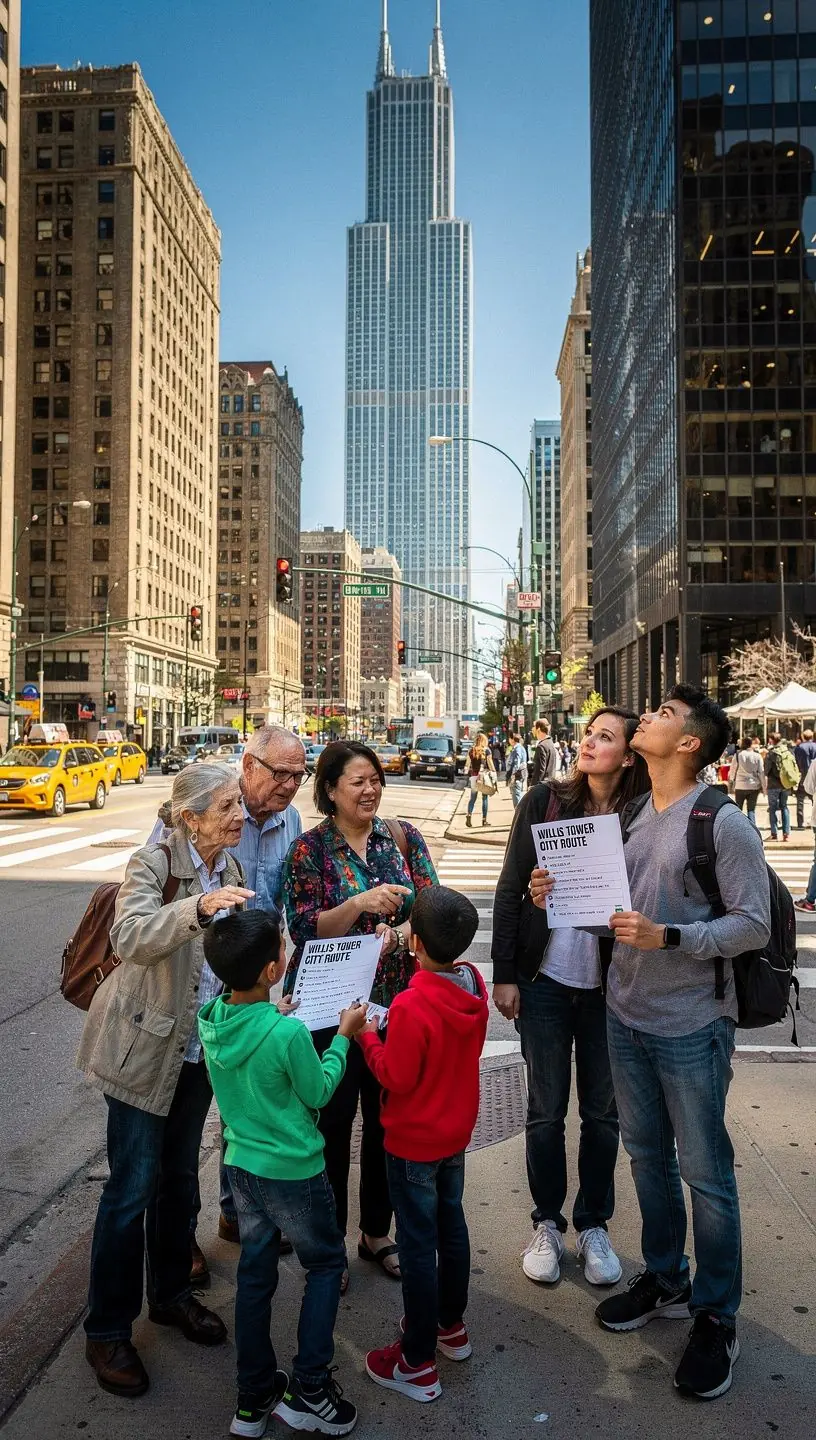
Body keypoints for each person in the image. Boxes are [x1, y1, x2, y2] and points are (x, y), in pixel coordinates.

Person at [595, 685, 771, 1401]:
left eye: (664, 715)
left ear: (691, 742)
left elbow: (752, 923)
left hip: (693, 1024)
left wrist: (673, 936)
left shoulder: (724, 823)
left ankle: (716, 1316)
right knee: (645, 1158)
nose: (648, 718)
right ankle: (666, 1277)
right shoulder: (633, 809)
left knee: (706, 1171)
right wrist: (557, 891)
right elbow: (612, 900)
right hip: (624, 1011)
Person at [78, 765, 253, 1399]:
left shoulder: (228, 868)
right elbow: (130, 936)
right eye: (229, 806)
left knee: (180, 1183)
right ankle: (107, 1332)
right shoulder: (154, 864)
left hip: (196, 1053)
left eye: (238, 804)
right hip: (142, 1052)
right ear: (191, 816)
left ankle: (172, 1295)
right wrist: (197, 908)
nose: (240, 815)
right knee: (130, 1191)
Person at [492, 708, 650, 1290]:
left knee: (604, 1113)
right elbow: (511, 890)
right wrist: (505, 973)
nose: (589, 742)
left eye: (605, 737)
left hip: (614, 988)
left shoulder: (645, 814)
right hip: (547, 981)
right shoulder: (544, 803)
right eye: (589, 733)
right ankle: (547, 1223)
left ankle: (594, 1224)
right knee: (545, 1109)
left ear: (630, 755)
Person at [198, 909, 365, 1438]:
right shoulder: (288, 1034)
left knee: (255, 1277)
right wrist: (343, 1037)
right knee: (322, 1266)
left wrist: (277, 1013)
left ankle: (252, 1398)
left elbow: (253, 1043)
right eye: (284, 949)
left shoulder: (213, 1020)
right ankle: (311, 1386)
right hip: (295, 1171)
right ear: (273, 970)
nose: (289, 953)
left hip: (242, 1168)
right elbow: (318, 1091)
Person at [282, 741, 438, 1291]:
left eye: (375, 779)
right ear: (329, 790)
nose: (370, 789)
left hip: (394, 1009)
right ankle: (327, 1246)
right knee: (329, 1126)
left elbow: (432, 910)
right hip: (332, 1014)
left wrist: (398, 934)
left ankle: (376, 1232)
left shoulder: (404, 839)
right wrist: (359, 904)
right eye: (357, 781)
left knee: (386, 1124)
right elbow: (303, 929)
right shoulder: (308, 851)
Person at [360, 887, 488, 1403]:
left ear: (414, 943)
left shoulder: (413, 1003)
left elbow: (396, 1074)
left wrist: (368, 1034)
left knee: (416, 1244)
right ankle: (450, 1326)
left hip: (413, 1137)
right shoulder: (473, 984)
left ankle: (415, 1359)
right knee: (450, 1227)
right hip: (454, 1131)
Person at [727, 735, 765, 829]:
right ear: (751, 744)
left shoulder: (738, 755)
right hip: (754, 786)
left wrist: (731, 781)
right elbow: (761, 772)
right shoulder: (757, 756)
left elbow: (733, 770)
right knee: (751, 810)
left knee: (738, 808)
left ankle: (738, 828)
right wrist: (764, 787)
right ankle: (752, 830)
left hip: (740, 785)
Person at [764, 732, 792, 843]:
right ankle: (786, 834)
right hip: (785, 784)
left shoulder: (771, 753)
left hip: (773, 785)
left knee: (773, 809)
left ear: (771, 740)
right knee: (784, 807)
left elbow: (766, 770)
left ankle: (774, 834)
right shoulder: (787, 752)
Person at [465, 732, 497, 828]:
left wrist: (467, 771)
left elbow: (467, 764)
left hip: (474, 777)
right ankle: (484, 820)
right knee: (484, 798)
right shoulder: (486, 751)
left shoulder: (471, 750)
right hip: (483, 777)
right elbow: (490, 764)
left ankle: (469, 815)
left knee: (472, 798)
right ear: (484, 741)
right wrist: (494, 772)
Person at [794, 728, 816, 829]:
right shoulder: (815, 746)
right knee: (814, 800)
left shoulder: (799, 747)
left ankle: (800, 822)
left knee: (800, 800)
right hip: (814, 776)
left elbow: (797, 762)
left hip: (803, 775)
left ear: (803, 737)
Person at [529, 718, 559, 788]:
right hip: (550, 784)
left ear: (538, 729)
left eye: (534, 727)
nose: (532, 729)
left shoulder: (541, 746)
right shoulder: (550, 743)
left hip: (541, 787)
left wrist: (533, 786)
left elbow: (540, 770)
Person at [505, 734, 528, 808]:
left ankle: (519, 813)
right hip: (520, 774)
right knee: (518, 793)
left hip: (517, 775)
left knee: (516, 794)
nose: (509, 740)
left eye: (509, 739)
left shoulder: (517, 748)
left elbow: (516, 762)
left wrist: (513, 775)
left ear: (512, 740)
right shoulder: (519, 747)